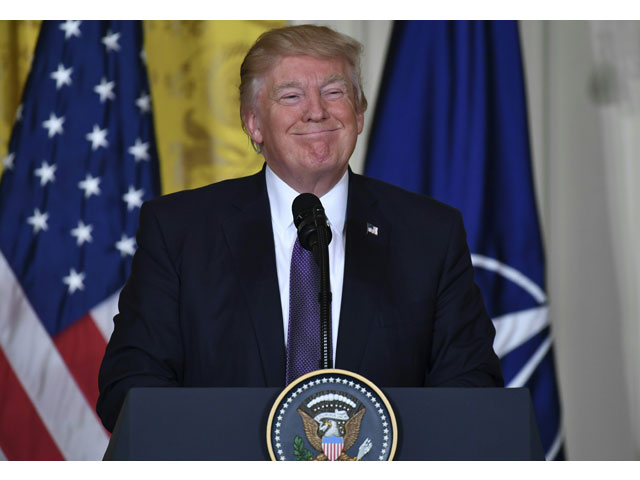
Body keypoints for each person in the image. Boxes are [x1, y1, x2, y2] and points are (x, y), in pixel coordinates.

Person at [97, 24, 503, 433]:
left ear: (358, 114)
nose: (316, 111)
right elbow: (129, 387)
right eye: (291, 96)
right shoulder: (180, 230)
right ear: (253, 123)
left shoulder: (430, 234)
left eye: (334, 92)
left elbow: (472, 387)